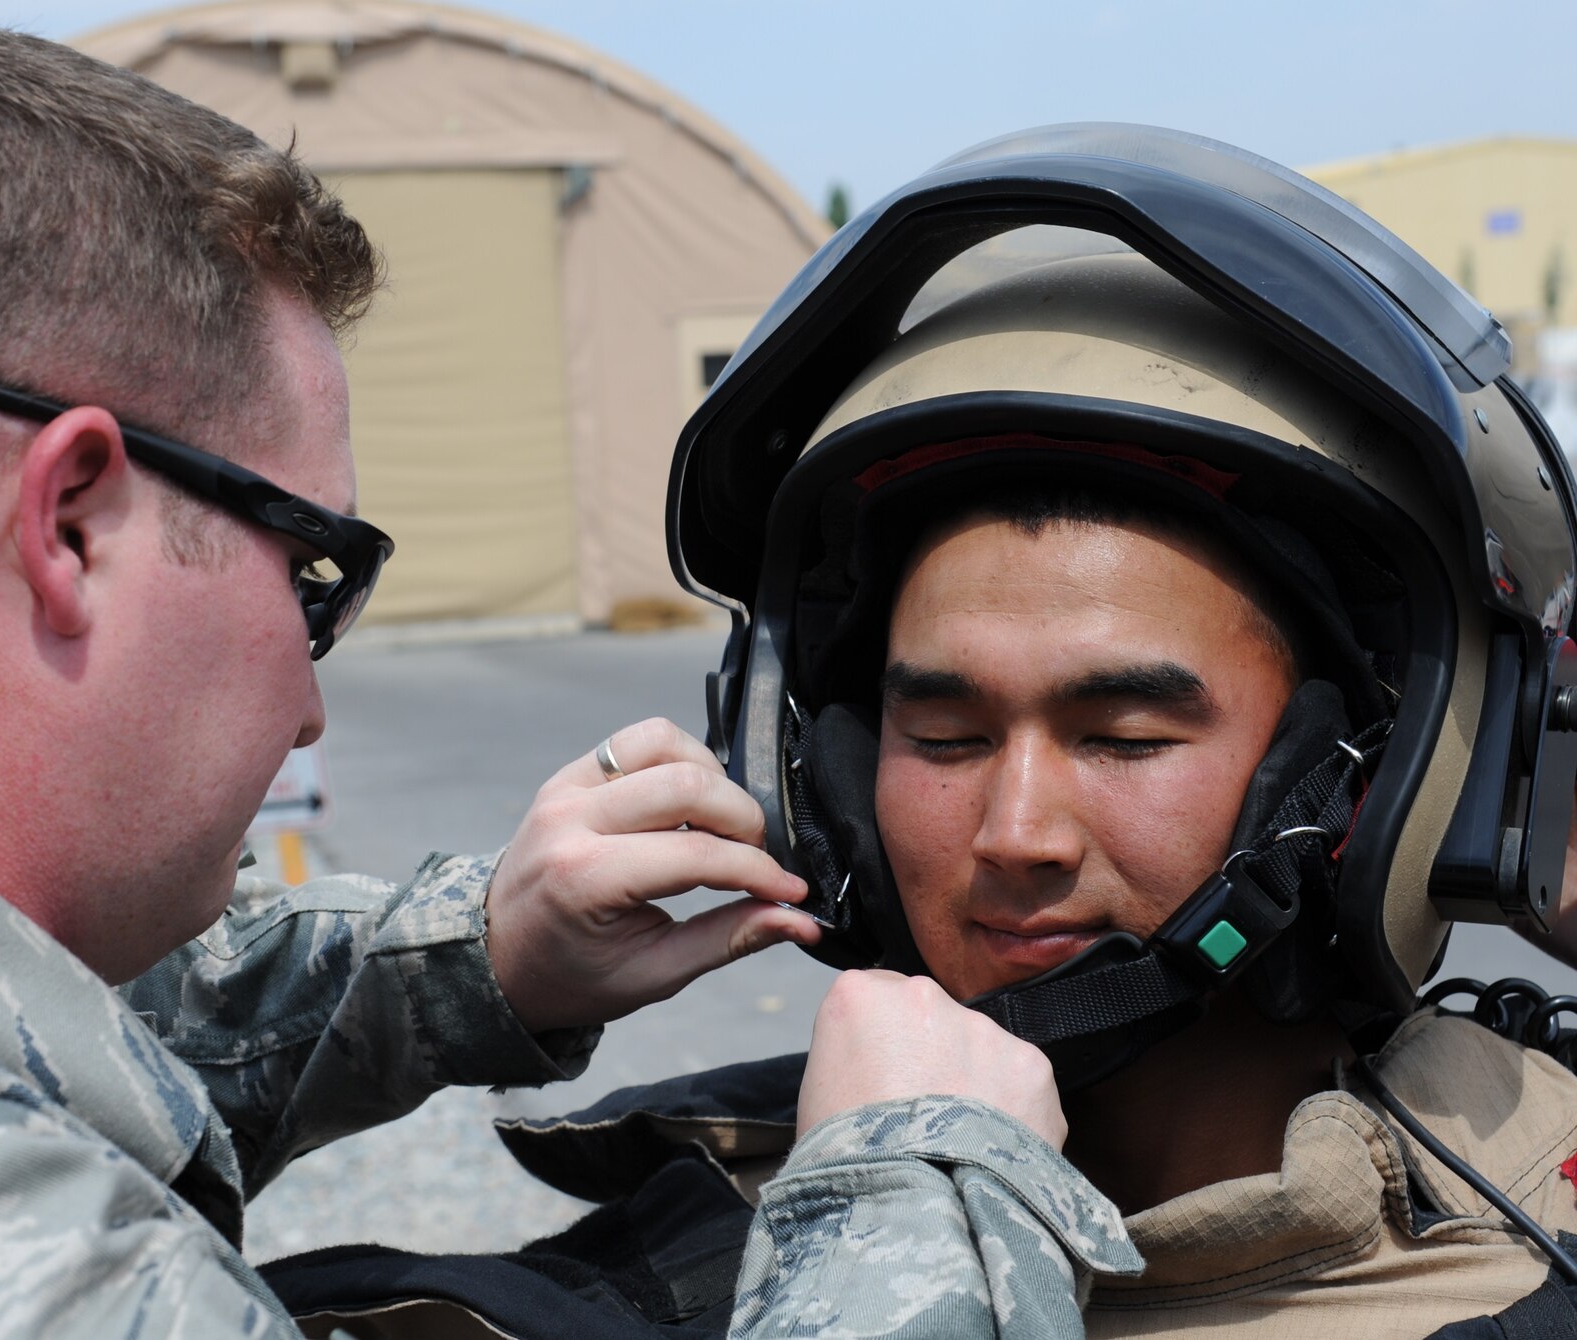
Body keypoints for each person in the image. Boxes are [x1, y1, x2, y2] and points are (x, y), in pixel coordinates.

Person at [0, 29, 1105, 1339]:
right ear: (70, 523)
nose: (312, 707)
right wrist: (922, 1185)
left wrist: (476, 964)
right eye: (312, 572)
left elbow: (38, 1026)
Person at [653, 125, 1577, 1337]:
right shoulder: (651, 1259)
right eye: (940, 734)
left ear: (1373, 784)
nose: (1013, 833)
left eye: (1124, 735)